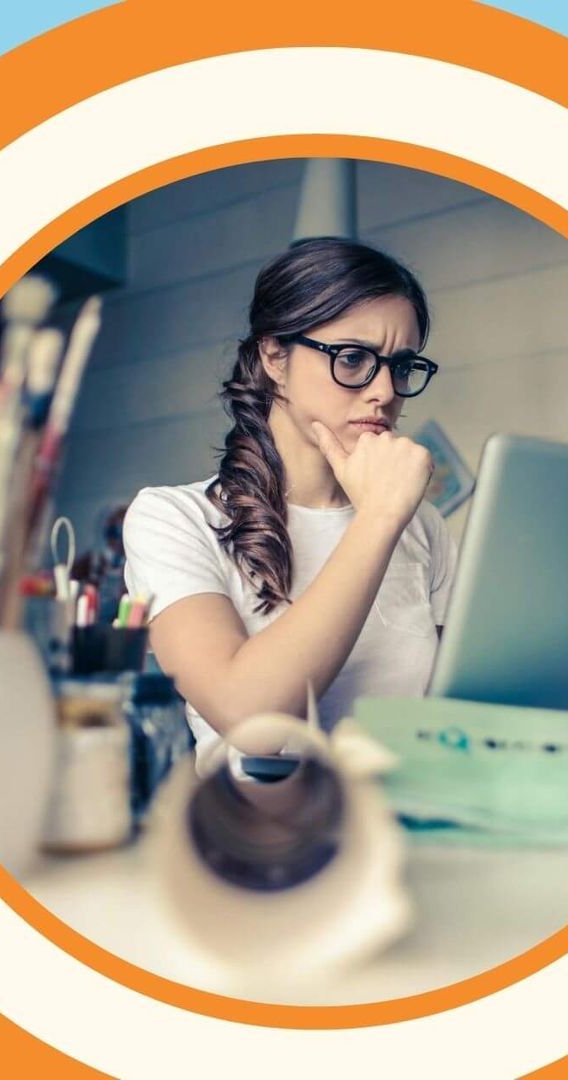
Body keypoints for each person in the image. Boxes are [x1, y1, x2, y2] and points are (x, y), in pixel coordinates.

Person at [122, 237, 453, 763]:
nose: (385, 391)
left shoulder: (424, 526)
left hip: (408, 829)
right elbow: (252, 724)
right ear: (275, 356)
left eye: (401, 365)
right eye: (352, 359)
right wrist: (380, 518)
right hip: (257, 833)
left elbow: (452, 718)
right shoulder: (173, 518)